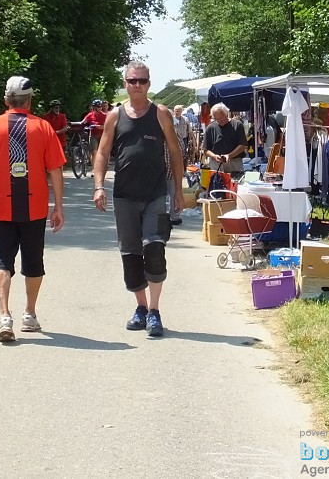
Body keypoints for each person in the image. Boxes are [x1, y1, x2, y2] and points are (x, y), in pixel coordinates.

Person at [92, 61, 183, 338]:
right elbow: (102, 153)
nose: (137, 86)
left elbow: (176, 153)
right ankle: (141, 307)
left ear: (149, 83)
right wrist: (98, 187)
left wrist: (177, 190)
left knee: (154, 251)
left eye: (142, 81)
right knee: (131, 255)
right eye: (132, 81)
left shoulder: (162, 114)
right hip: (124, 196)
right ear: (125, 83)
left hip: (155, 194)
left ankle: (155, 311)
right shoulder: (114, 116)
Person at [0, 76, 66, 342]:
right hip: (34, 208)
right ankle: (29, 314)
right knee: (34, 262)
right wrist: (58, 206)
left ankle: (4, 315)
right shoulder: (44, 128)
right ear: (30, 100)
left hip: (1, 207)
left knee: (2, 259)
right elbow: (56, 170)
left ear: (6, 100)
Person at [202, 102, 247, 176]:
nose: (219, 121)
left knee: (235, 185)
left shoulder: (237, 125)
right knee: (217, 186)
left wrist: (229, 155)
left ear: (226, 114)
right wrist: (214, 156)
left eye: (221, 118)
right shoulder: (210, 128)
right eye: (216, 119)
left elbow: (242, 145)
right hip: (216, 164)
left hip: (234, 162)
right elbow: (206, 150)